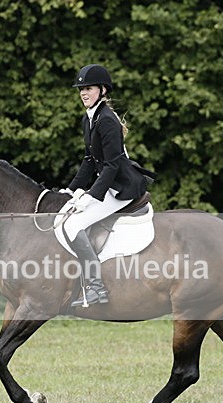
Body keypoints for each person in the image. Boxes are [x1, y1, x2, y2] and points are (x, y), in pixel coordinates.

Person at [61, 64, 150, 307]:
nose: (83, 93)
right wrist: (71, 189)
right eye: (81, 89)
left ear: (102, 90)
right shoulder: (89, 118)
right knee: (68, 216)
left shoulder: (107, 120)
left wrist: (92, 195)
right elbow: (89, 160)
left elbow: (111, 165)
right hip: (109, 184)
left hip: (122, 187)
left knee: (73, 225)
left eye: (88, 88)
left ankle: (96, 288)